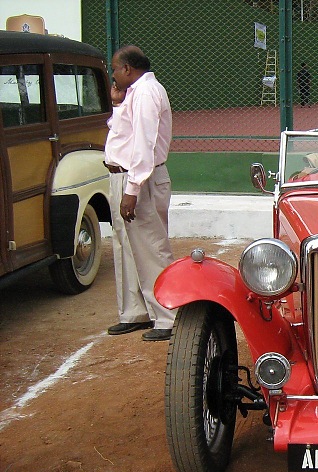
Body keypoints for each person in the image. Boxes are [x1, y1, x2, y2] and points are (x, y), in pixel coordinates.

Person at [104, 46, 176, 341]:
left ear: (128, 70)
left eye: (114, 69)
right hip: (125, 177)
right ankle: (136, 312)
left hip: (139, 179)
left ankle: (167, 315)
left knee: (151, 247)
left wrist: (131, 189)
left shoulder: (146, 92)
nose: (112, 75)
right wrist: (118, 104)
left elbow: (144, 144)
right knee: (126, 245)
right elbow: (123, 132)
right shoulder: (134, 93)